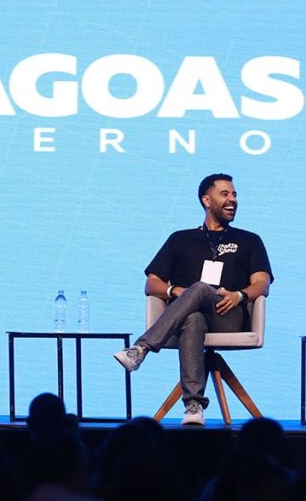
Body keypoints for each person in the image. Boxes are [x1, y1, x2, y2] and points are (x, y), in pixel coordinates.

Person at [113, 174, 273, 426]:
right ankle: (193, 405)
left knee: (199, 288)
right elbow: (151, 283)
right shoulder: (180, 239)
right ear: (206, 200)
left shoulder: (249, 240)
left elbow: (262, 283)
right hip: (187, 320)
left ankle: (141, 349)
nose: (232, 200)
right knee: (193, 318)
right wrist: (174, 291)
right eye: (225, 194)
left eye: (234, 194)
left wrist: (238, 295)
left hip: (228, 315)